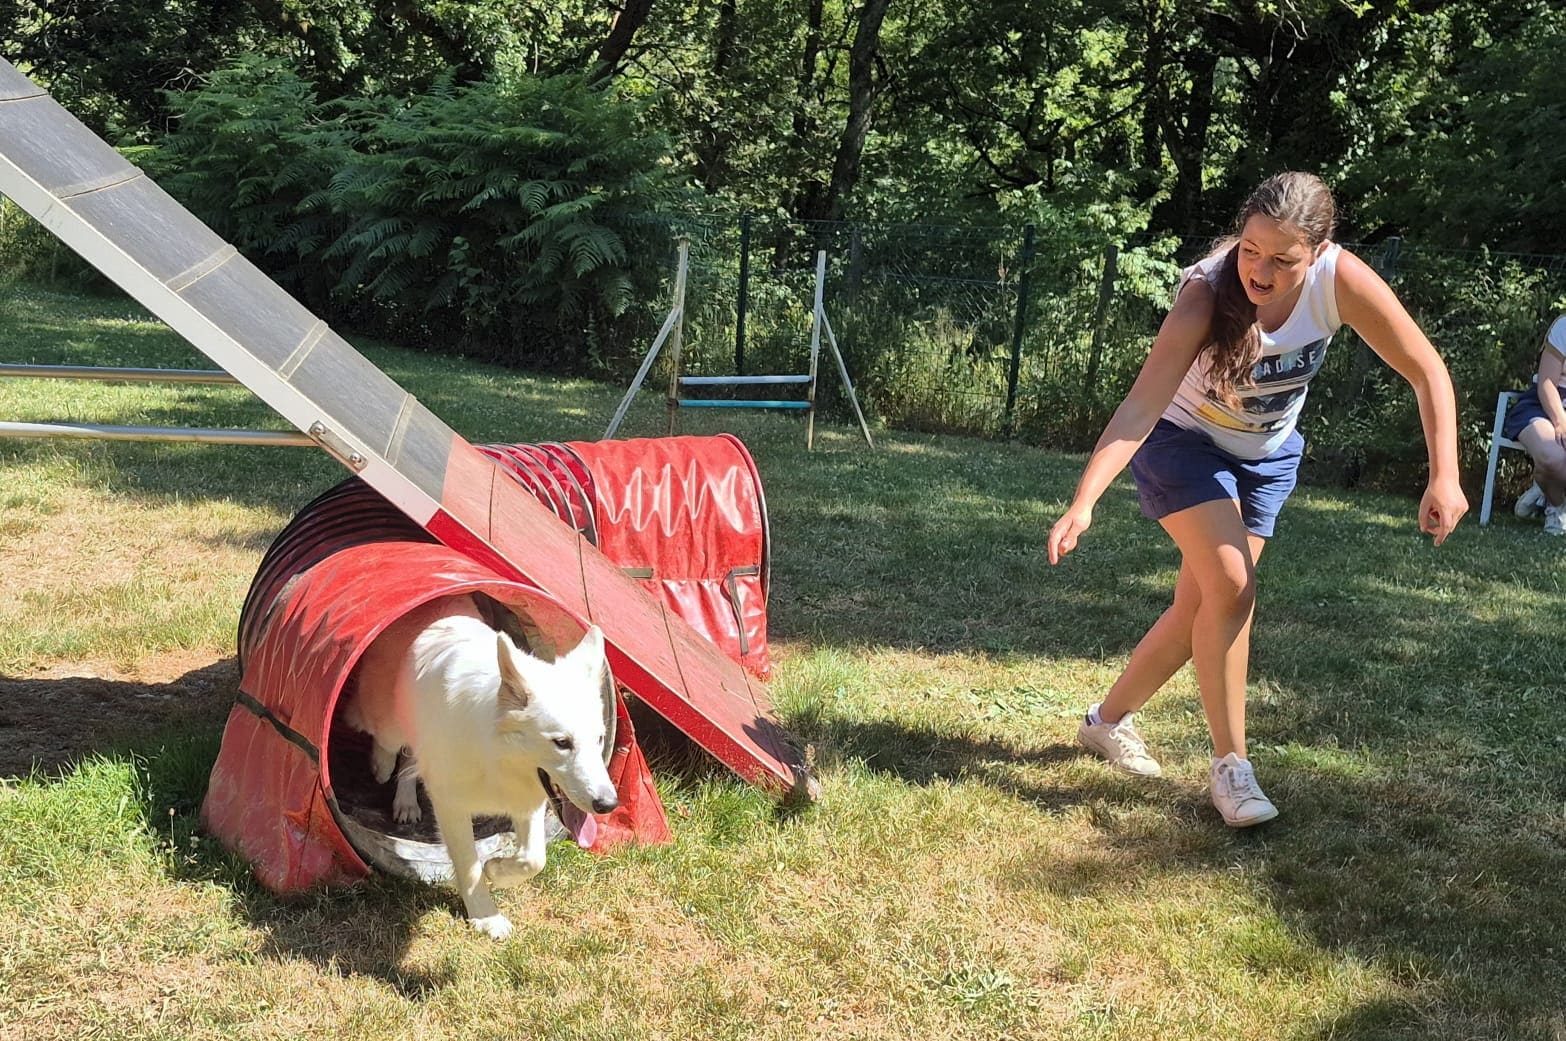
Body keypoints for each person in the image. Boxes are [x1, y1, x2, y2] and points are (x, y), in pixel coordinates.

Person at [1046, 171, 1467, 827]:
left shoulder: (1341, 280)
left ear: (1319, 253)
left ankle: (1105, 721)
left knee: (1201, 609)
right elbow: (1141, 404)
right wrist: (1084, 499)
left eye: (1282, 259)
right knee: (1233, 587)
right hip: (1182, 443)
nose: (1260, 271)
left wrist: (1446, 474)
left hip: (1266, 457)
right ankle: (1232, 767)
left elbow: (1425, 369)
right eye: (1251, 250)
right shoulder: (1204, 296)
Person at [1503, 315, 1566, 534]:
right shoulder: (1564, 325)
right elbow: (1547, 382)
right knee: (1553, 457)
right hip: (1546, 403)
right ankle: (1556, 508)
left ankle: (1544, 483)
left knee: (1556, 464)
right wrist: (1560, 421)